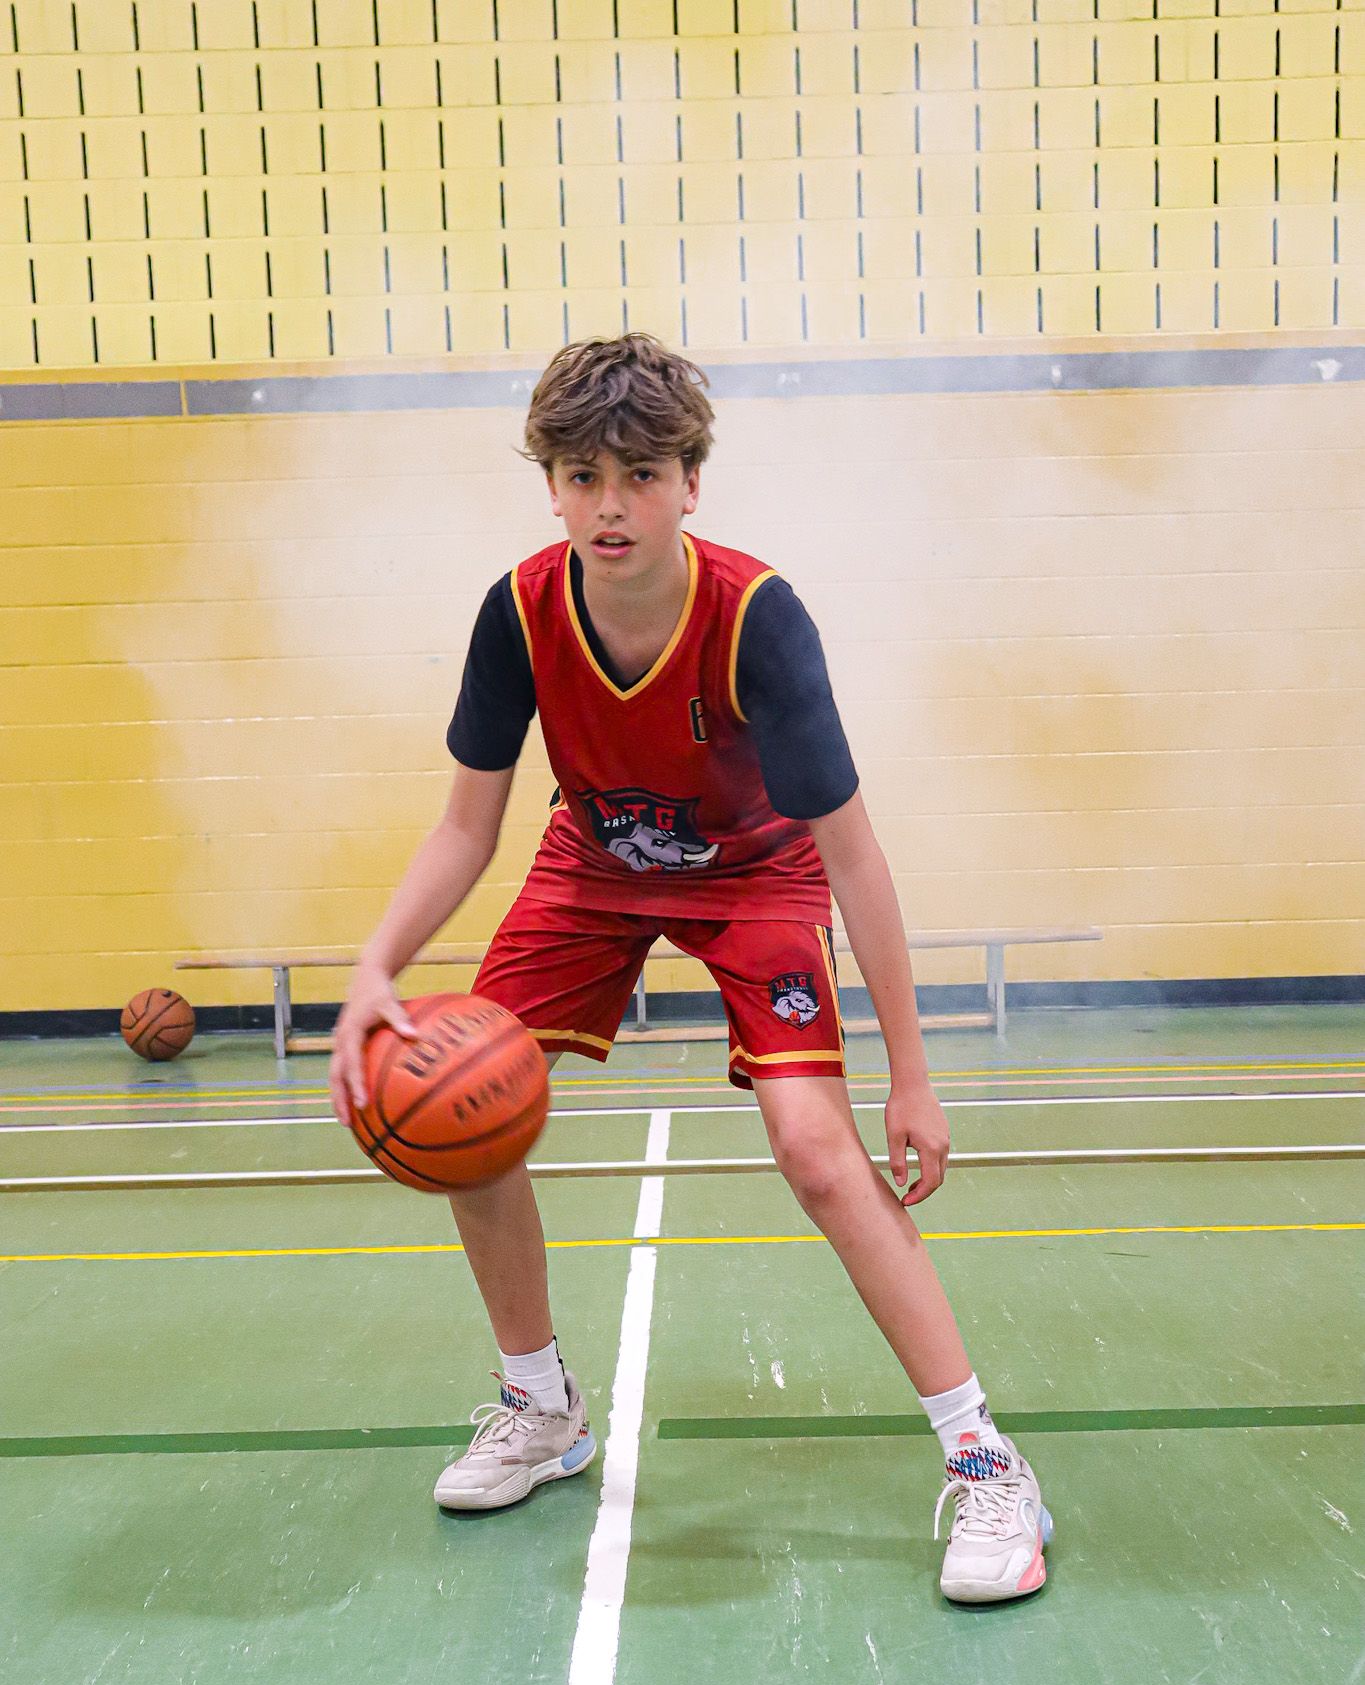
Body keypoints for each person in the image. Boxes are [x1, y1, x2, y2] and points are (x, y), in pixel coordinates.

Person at [329, 333, 1051, 1605]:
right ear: (551, 485)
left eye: (641, 474)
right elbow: (465, 827)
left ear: (690, 482)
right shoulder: (518, 613)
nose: (611, 504)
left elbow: (854, 854)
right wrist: (374, 969)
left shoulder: (759, 618)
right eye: (583, 475)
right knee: (466, 1109)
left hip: (757, 872)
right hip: (592, 863)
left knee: (815, 1149)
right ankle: (541, 1405)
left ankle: (989, 1462)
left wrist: (913, 1072)